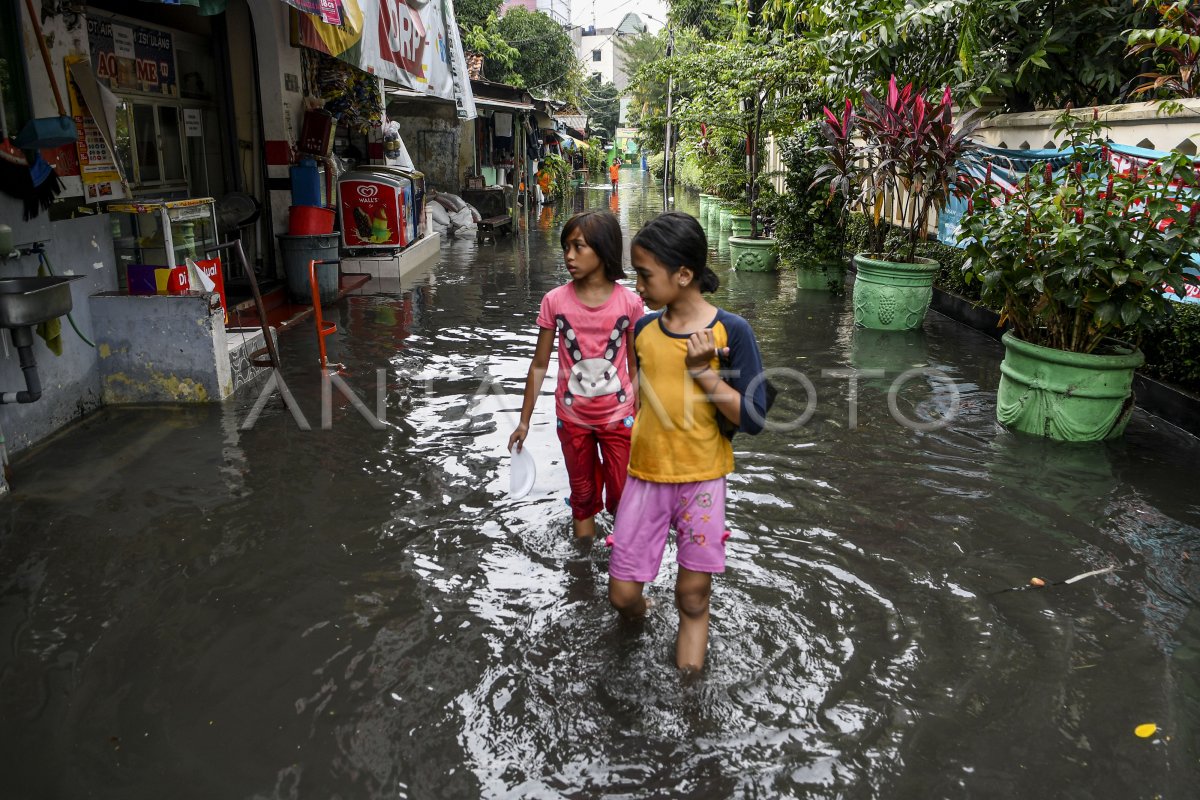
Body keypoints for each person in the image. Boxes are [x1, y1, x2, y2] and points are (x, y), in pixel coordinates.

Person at [607, 211, 769, 672]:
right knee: (622, 594)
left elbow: (754, 417)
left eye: (644, 275)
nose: (637, 286)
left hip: (702, 481)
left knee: (693, 596)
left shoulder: (731, 333)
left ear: (683, 274)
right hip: (646, 477)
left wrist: (703, 373)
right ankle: (643, 618)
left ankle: (690, 693)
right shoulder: (642, 330)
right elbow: (640, 397)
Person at [508, 210, 644, 540]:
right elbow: (539, 364)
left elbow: (637, 367)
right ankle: (583, 569)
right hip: (572, 420)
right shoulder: (555, 302)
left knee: (624, 498)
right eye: (566, 247)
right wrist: (524, 421)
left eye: (578, 247)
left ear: (603, 250)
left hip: (620, 419)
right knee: (582, 500)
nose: (569, 256)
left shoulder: (630, 304)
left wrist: (643, 419)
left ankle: (621, 572)